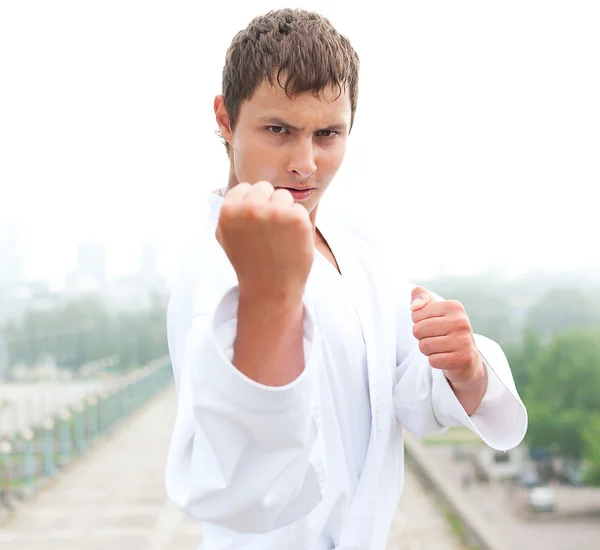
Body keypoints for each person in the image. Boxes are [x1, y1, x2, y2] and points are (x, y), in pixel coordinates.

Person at [164, 8, 527, 550]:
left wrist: (464, 365)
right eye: (278, 130)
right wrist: (271, 298)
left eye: (328, 133)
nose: (305, 163)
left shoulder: (356, 248)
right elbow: (241, 487)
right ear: (225, 118)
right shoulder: (215, 278)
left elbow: (399, 395)